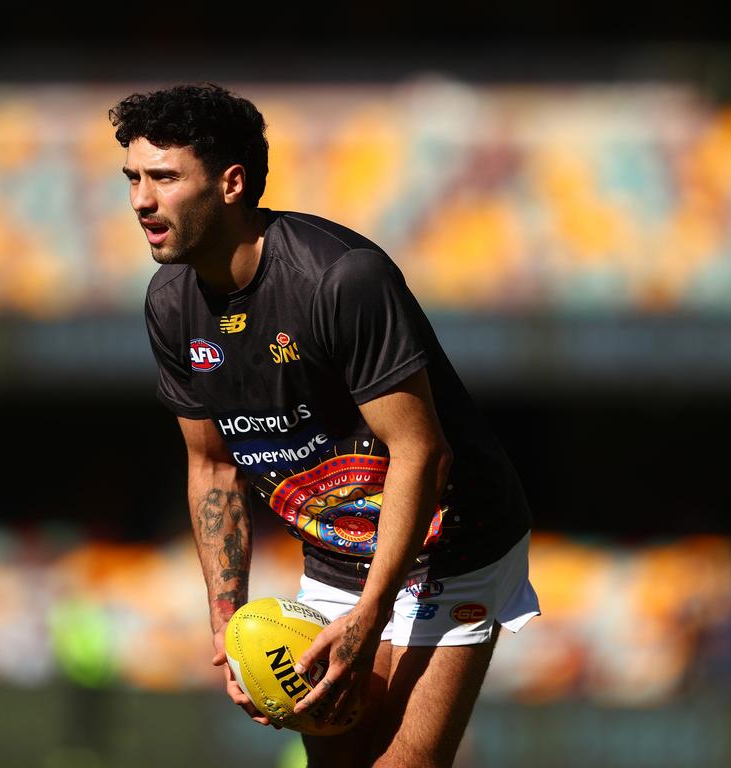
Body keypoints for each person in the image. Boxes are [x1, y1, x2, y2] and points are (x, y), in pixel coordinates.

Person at [110, 82, 540, 768]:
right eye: (132, 178)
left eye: (163, 178)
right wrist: (229, 625)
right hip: (336, 551)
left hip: (452, 538)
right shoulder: (169, 304)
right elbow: (213, 466)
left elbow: (421, 453)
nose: (140, 201)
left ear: (231, 183)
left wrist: (369, 620)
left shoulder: (340, 280)